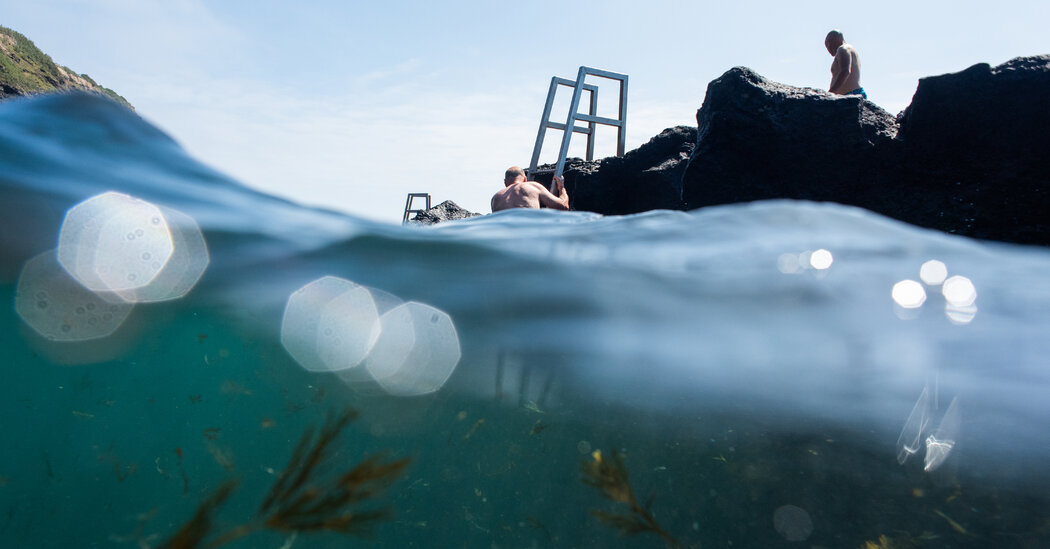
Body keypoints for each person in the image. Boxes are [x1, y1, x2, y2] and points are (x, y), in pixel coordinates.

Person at [491, 166, 570, 212]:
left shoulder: (495, 198)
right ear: (525, 179)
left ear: (505, 182)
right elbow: (563, 206)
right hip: (529, 232)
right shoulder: (533, 186)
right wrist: (561, 188)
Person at [825, 30, 866, 99]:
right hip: (854, 93)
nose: (828, 49)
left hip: (851, 95)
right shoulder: (850, 49)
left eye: (827, 45)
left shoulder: (842, 49)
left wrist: (830, 93)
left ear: (830, 41)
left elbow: (845, 71)